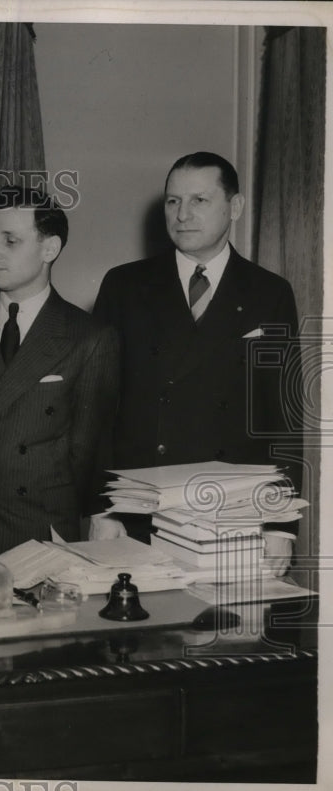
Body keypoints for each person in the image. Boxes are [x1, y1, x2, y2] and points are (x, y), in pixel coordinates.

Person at [92, 151, 301, 575]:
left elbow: (282, 418)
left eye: (199, 201)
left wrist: (280, 524)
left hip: (233, 511)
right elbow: (97, 409)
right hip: (139, 509)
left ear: (235, 207)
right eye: (173, 201)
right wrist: (104, 507)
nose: (182, 214)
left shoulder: (270, 293)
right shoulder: (124, 285)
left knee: (225, 633)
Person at [0, 187, 119, 561]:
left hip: (38, 531)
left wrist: (103, 514)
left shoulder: (89, 337)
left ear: (49, 249)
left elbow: (91, 445)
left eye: (11, 241)